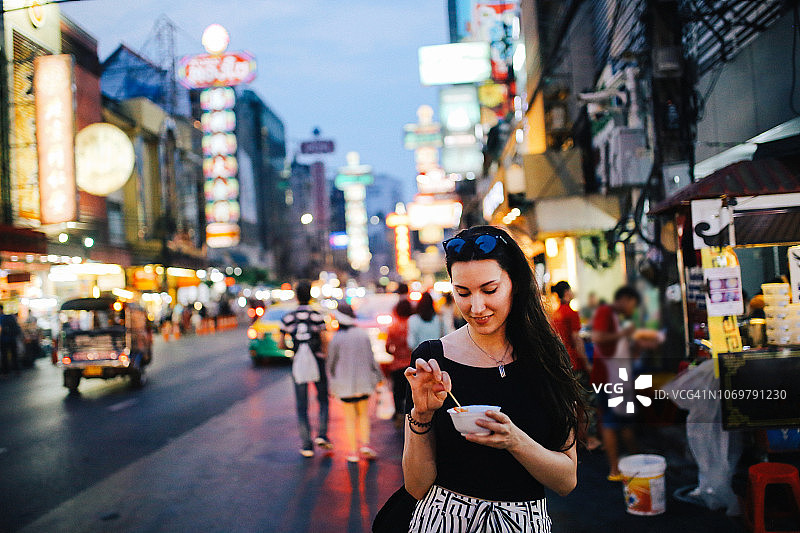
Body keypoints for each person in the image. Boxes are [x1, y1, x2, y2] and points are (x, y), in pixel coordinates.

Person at [402, 226, 585, 531]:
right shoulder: (434, 359)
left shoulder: (547, 356)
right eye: (462, 293)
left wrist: (515, 441)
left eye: (489, 290)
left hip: (524, 521)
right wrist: (421, 413)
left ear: (515, 283)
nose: (476, 307)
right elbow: (416, 487)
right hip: (445, 520)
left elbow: (566, 480)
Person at [590, 285, 641, 481]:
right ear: (626, 299)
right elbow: (598, 337)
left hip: (614, 376)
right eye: (633, 304)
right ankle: (615, 469)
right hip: (609, 378)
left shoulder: (613, 316)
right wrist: (624, 334)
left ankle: (632, 461)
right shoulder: (606, 312)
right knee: (612, 422)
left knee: (620, 421)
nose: (632, 309)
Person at [279, 281, 333, 457]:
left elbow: (281, 343)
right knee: (323, 399)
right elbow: (325, 339)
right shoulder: (317, 315)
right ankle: (322, 435)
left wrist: (294, 350)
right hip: (317, 361)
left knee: (302, 405)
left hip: (298, 364)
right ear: (310, 295)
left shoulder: (288, 317)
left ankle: (307, 445)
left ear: (296, 296)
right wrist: (323, 355)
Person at [326, 302, 384, 462]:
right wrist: (380, 378)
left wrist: (331, 382)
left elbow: (330, 363)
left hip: (345, 386)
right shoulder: (362, 334)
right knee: (364, 415)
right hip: (364, 383)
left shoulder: (337, 338)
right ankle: (365, 444)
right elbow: (372, 359)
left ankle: (353, 452)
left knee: (350, 418)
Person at [550, 281, 601, 451]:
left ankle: (578, 437)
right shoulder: (571, 313)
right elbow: (578, 341)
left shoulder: (555, 314)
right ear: (566, 293)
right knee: (586, 401)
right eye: (570, 290)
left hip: (563, 364)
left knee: (571, 402)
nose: (572, 292)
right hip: (575, 364)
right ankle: (591, 439)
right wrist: (587, 363)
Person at [384, 299, 414, 427]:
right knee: (411, 392)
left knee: (398, 392)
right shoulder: (412, 324)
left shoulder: (393, 326)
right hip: (411, 363)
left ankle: (399, 415)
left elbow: (387, 346)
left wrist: (395, 354)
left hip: (396, 364)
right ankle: (410, 415)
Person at [0, 304, 22, 375]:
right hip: (12, 339)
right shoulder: (10, 317)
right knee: (14, 355)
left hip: (4, 340)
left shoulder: (1, 318)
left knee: (4, 356)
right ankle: (16, 370)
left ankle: (6, 372)